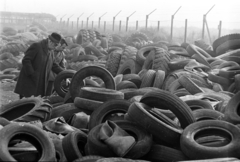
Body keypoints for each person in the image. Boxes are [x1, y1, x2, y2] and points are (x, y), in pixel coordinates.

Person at [14, 32, 64, 98]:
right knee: (25, 104)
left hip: (40, 84)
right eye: (55, 45)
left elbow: (54, 65)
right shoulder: (37, 46)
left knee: (35, 103)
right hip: (29, 82)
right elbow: (26, 60)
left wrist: (64, 73)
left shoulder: (50, 51)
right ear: (50, 41)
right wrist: (32, 74)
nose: (55, 47)